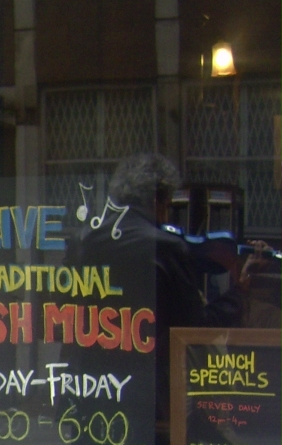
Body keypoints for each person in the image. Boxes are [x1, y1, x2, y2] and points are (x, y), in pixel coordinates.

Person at [65, 153, 242, 445]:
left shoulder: (83, 241)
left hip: (91, 384)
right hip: (146, 394)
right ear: (159, 199)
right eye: (169, 203)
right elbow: (195, 329)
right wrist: (239, 293)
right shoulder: (168, 248)